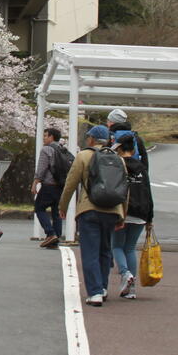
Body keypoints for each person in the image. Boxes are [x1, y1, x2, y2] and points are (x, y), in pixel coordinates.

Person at [59, 125, 127, 307]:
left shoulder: (83, 156)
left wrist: (63, 206)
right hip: (112, 211)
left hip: (89, 210)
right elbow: (124, 190)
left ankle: (95, 292)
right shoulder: (118, 159)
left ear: (91, 139)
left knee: (90, 252)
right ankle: (103, 288)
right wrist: (122, 215)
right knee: (105, 251)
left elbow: (70, 184)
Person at [112, 133, 152, 299]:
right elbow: (148, 193)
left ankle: (125, 273)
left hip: (123, 211)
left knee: (117, 246)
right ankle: (132, 289)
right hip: (141, 213)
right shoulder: (141, 168)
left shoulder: (117, 165)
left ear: (119, 149)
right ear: (134, 148)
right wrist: (150, 218)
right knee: (130, 248)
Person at [31, 127, 70, 248]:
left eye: (46, 136)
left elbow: (42, 168)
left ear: (51, 137)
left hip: (49, 185)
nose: (44, 138)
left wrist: (35, 182)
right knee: (56, 212)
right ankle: (56, 238)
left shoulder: (46, 149)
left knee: (39, 208)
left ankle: (50, 233)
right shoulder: (63, 149)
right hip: (61, 185)